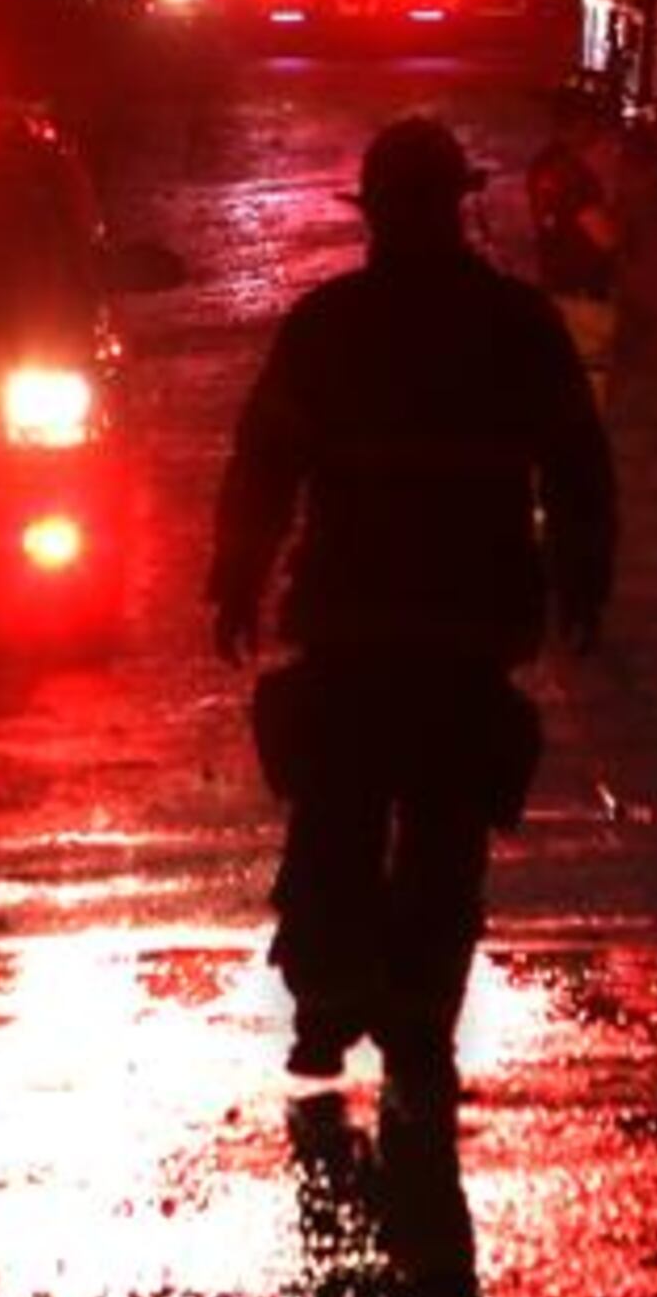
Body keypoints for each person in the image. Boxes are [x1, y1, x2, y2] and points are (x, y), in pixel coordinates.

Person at [211, 115, 617, 1096]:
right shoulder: (519, 327)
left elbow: (263, 467)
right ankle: (417, 1024)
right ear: (456, 205)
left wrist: (236, 582)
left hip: (351, 628)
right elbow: (578, 467)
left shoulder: (328, 327)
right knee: (443, 839)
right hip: (465, 635)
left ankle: (326, 1008)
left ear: (376, 215)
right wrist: (584, 577)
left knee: (335, 824)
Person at [525, 121, 621, 411]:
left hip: (555, 288)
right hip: (584, 299)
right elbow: (604, 237)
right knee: (589, 384)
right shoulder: (576, 175)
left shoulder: (541, 165)